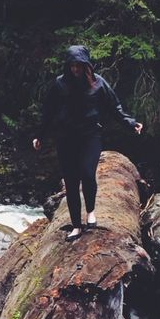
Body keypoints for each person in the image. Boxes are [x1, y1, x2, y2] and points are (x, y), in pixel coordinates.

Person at [33, 45, 143, 240]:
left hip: (90, 136)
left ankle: (91, 211)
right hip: (66, 138)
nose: (75, 69)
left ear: (86, 65)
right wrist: (39, 136)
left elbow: (114, 106)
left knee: (87, 173)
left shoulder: (98, 83)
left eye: (79, 65)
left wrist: (131, 123)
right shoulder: (59, 84)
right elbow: (48, 112)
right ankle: (76, 226)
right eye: (72, 65)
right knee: (72, 182)